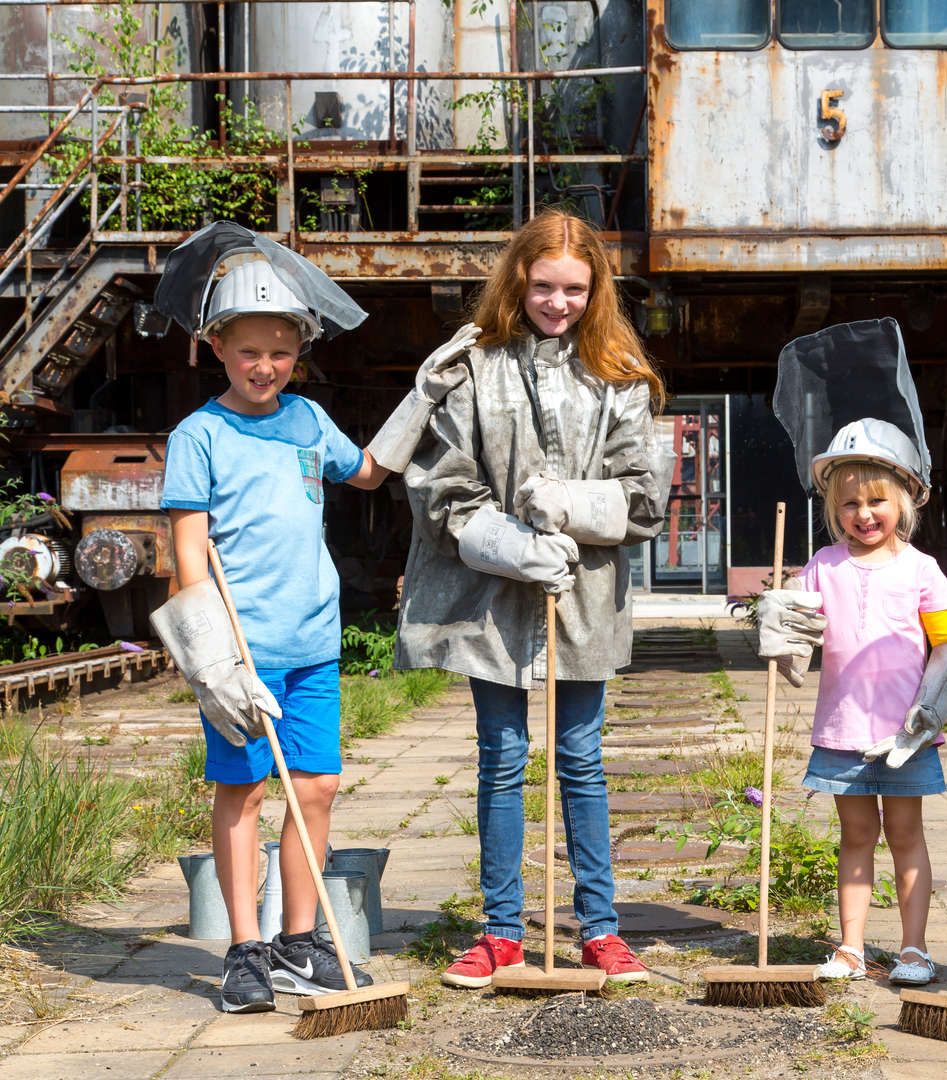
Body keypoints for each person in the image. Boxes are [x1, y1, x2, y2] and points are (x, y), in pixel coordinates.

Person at [153, 251, 473, 1013]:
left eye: (281, 351)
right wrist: (212, 659)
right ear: (217, 349)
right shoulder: (200, 434)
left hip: (311, 644)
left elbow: (365, 471)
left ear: (300, 352)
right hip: (241, 654)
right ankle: (243, 951)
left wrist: (424, 395)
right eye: (249, 351)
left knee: (317, 787)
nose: (265, 366)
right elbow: (190, 551)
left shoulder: (304, 419)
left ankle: (300, 943)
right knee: (244, 790)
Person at [393, 209, 671, 989]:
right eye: (544, 285)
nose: (558, 303)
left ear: (597, 289)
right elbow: (444, 489)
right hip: (491, 599)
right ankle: (501, 933)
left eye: (575, 289)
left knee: (582, 760)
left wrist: (573, 508)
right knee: (502, 758)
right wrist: (512, 547)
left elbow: (643, 498)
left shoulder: (618, 375)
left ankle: (602, 931)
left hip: (583, 597)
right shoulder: (471, 368)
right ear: (518, 276)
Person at [758, 418, 947, 987]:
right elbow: (797, 640)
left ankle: (914, 949)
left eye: (878, 500)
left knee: (906, 836)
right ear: (833, 507)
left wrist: (933, 706)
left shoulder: (920, 568)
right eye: (850, 502)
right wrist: (777, 627)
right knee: (855, 837)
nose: (864, 513)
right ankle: (851, 948)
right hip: (842, 729)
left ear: (905, 499)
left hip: (906, 735)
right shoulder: (823, 566)